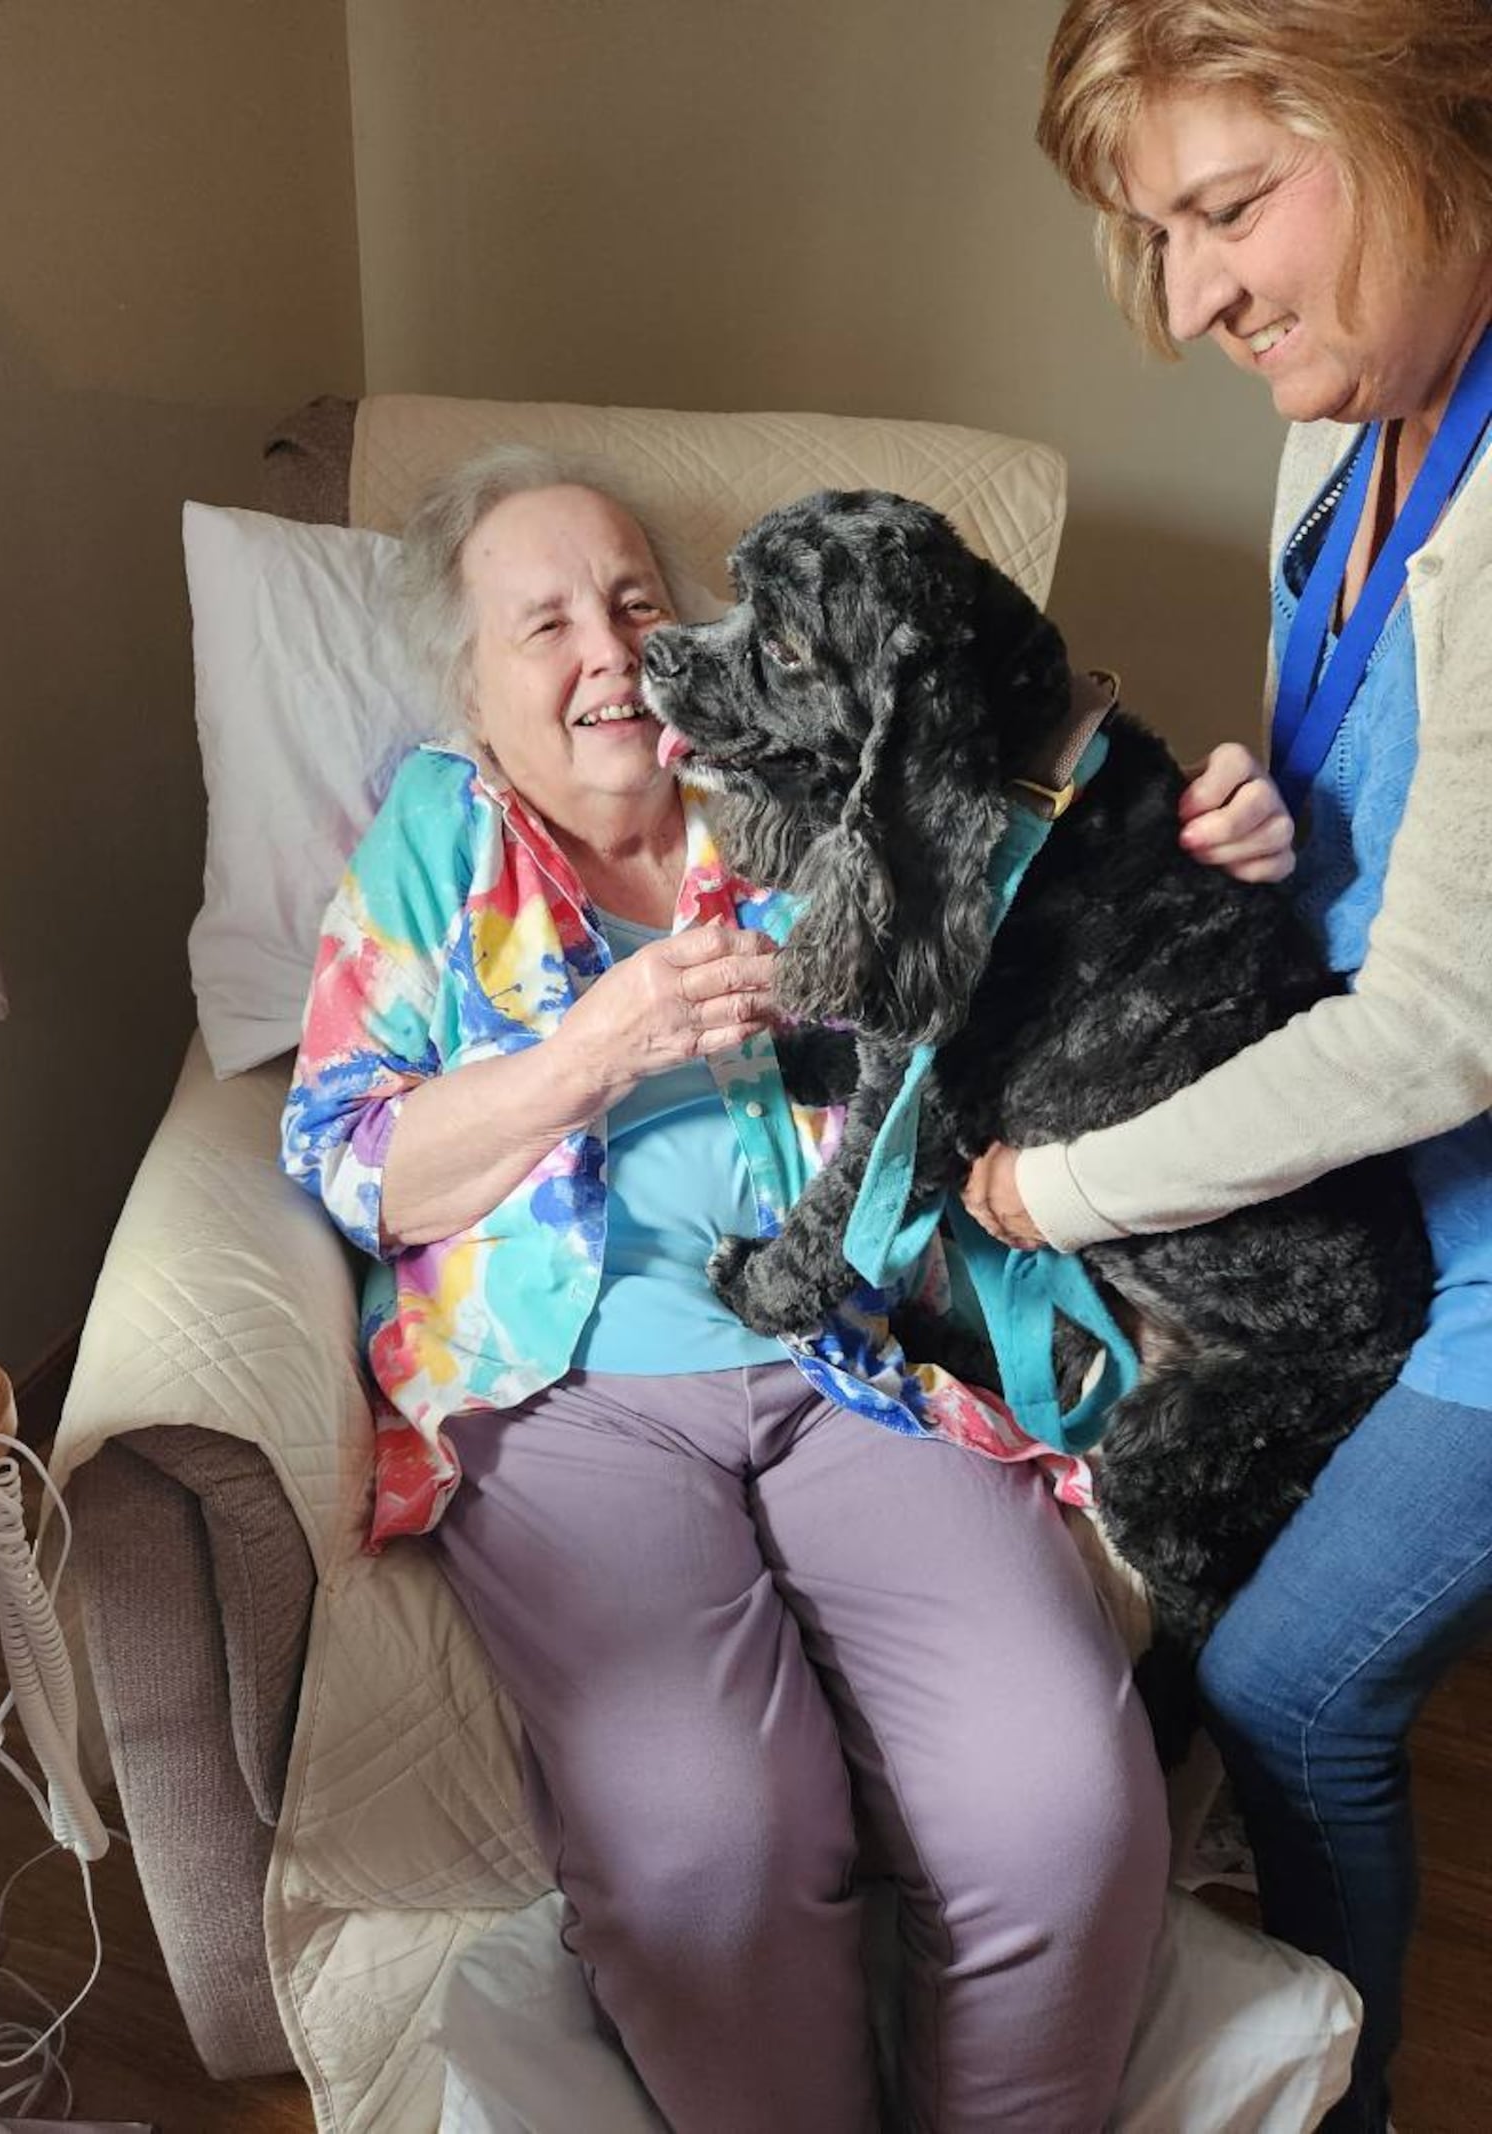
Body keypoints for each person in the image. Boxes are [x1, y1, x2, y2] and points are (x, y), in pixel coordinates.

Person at [279, 443, 1181, 2132]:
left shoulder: (787, 786)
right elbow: (350, 1161)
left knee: (1063, 1793)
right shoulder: (431, 837)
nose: (606, 648)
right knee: (711, 1839)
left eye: (631, 599)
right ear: (472, 685)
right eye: (540, 622)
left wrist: (1207, 826)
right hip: (573, 1400)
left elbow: (1035, 870)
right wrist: (591, 1052)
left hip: (847, 1355)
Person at [962, 6, 1492, 2128]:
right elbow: (1367, 839)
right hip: (1375, 1191)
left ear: (1424, 125)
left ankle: (1332, 2106)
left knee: (1290, 1683)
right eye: (1153, 237)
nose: (1189, 305)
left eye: (1225, 212)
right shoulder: (1335, 429)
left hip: (1467, 1237)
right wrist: (1254, 818)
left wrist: (1044, 1194)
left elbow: (1436, 1023)